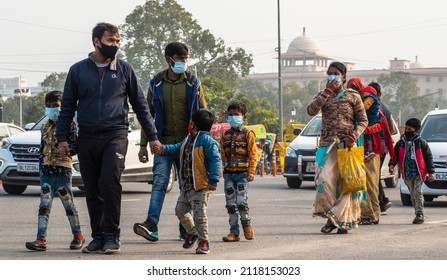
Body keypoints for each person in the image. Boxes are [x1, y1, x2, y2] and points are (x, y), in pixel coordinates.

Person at [56, 22, 161, 254]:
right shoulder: (77, 70)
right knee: (91, 188)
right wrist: (62, 138)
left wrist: (152, 137)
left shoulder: (125, 69)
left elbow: (141, 106)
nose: (116, 45)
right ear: (96, 42)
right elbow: (67, 108)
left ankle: (113, 235)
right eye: (111, 41)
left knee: (109, 182)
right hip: (87, 136)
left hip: (115, 134)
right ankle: (98, 236)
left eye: (117, 41)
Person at [133, 42, 206, 242]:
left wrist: (203, 145)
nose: (183, 62)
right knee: (158, 184)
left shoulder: (194, 83)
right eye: (180, 58)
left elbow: (203, 115)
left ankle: (186, 228)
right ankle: (151, 225)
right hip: (162, 144)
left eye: (185, 58)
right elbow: (147, 115)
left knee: (186, 187)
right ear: (168, 59)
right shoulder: (155, 83)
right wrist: (143, 145)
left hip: (187, 146)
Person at [307, 62, 368, 234]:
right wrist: (326, 93)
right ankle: (332, 217)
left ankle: (339, 221)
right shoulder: (323, 95)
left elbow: (363, 121)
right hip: (328, 146)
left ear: (343, 77)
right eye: (330, 73)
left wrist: (354, 135)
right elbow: (311, 111)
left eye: (335, 73)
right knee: (324, 182)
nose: (332, 75)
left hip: (347, 146)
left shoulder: (353, 96)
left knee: (348, 184)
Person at [25, 90, 84, 252]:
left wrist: (68, 151)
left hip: (62, 172)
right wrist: (40, 169)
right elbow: (41, 149)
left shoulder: (70, 126)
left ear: (64, 107)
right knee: (44, 206)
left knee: (69, 205)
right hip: (46, 173)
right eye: (48, 106)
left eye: (55, 106)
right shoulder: (45, 127)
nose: (52, 109)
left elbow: (75, 146)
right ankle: (40, 240)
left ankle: (78, 236)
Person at [156, 109, 221, 254]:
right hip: (186, 187)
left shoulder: (207, 142)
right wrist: (163, 149)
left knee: (199, 216)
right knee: (180, 210)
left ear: (193, 124)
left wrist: (214, 180)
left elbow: (215, 161)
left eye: (191, 121)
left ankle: (204, 242)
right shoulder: (188, 139)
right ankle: (193, 232)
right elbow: (177, 148)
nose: (189, 123)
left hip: (200, 187)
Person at [219, 102, 257, 242]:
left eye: (236, 115)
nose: (233, 117)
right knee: (230, 204)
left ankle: (246, 225)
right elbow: (221, 154)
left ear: (244, 117)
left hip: (243, 174)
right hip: (229, 174)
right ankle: (234, 232)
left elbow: (253, 154)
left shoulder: (248, 134)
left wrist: (251, 172)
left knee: (241, 201)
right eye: (230, 115)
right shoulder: (224, 135)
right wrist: (219, 170)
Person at [389, 118, 435, 224]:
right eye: (405, 128)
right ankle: (417, 212)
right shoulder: (401, 143)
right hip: (407, 173)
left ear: (417, 131)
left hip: (418, 173)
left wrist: (431, 172)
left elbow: (428, 158)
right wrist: (392, 165)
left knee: (417, 192)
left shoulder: (422, 143)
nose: (406, 131)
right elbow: (395, 155)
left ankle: (420, 214)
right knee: (412, 195)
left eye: (409, 129)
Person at [369, 82, 394, 215]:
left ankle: (382, 201)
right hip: (382, 146)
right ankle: (382, 201)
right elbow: (389, 129)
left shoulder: (372, 105)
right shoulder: (386, 108)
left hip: (375, 145)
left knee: (373, 175)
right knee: (375, 174)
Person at [360, 85, 381, 159]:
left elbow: (365, 106)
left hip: (370, 120)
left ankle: (369, 150)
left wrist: (358, 109)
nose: (362, 95)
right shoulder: (376, 99)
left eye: (363, 93)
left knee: (367, 135)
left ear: (369, 92)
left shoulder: (370, 98)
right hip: (373, 119)